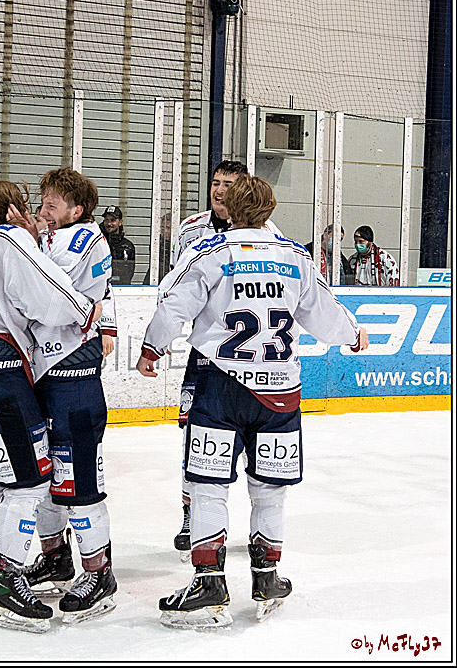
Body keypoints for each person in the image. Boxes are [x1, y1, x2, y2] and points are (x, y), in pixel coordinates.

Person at [136, 175, 369, 628]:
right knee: (270, 487)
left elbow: (172, 306)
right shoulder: (294, 256)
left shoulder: (210, 253)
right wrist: (354, 336)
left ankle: (208, 581)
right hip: (280, 391)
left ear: (230, 208)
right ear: (269, 208)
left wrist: (152, 348)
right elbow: (324, 313)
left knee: (209, 483)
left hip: (219, 384)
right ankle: (266, 575)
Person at [0, 180, 102, 633]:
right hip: (1, 379)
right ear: (13, 208)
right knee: (29, 484)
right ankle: (9, 581)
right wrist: (84, 312)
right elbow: (54, 299)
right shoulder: (11, 240)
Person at [4, 168, 119, 624]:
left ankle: (99, 571)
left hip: (73, 372)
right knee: (46, 474)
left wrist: (27, 242)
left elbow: (52, 292)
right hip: (40, 374)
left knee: (79, 481)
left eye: (54, 203)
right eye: (43, 200)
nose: (44, 209)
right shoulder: (45, 239)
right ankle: (55, 557)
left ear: (78, 210)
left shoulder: (87, 239)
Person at [168, 160, 282, 561]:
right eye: (215, 183)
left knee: (254, 444)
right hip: (204, 357)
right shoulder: (191, 229)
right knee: (193, 437)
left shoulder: (270, 235)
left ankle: (257, 530)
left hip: (250, 365)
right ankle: (193, 515)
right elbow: (177, 288)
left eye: (229, 185)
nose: (219, 191)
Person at [100, 206, 136, 284]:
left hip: (121, 289)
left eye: (113, 220)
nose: (109, 223)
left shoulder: (127, 246)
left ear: (120, 222)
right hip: (100, 288)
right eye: (106, 220)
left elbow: (129, 274)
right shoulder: (98, 243)